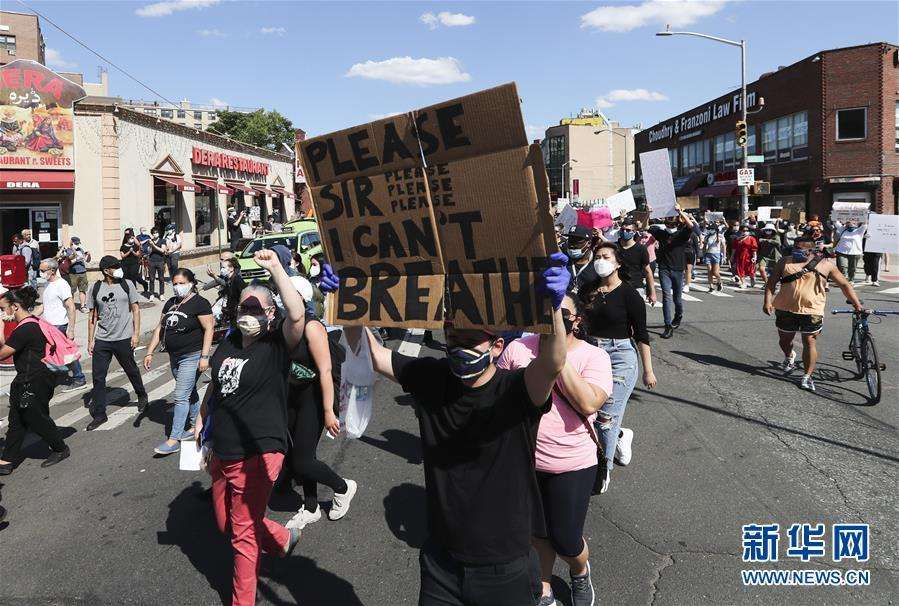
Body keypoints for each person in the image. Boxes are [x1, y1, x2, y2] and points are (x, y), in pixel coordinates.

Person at [336, 253, 570, 606]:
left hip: (504, 565)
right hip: (442, 563)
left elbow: (552, 362)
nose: (458, 347)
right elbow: (376, 355)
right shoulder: (433, 378)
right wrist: (347, 300)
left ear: (496, 346)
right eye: (452, 338)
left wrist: (551, 310)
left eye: (469, 339)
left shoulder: (517, 390)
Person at [193, 249, 307, 606]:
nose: (250, 314)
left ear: (270, 314)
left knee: (242, 532)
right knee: (226, 522)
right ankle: (280, 539)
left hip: (259, 451)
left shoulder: (276, 345)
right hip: (221, 448)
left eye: (258, 309)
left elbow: (298, 314)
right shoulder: (227, 342)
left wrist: (275, 268)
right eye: (245, 307)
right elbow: (215, 384)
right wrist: (200, 420)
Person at [497, 293, 612, 606]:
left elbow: (589, 402)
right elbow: (498, 399)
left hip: (572, 465)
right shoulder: (518, 348)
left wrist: (554, 355)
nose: (553, 317)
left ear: (575, 320)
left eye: (561, 312)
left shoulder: (593, 357)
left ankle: (579, 570)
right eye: (547, 312)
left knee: (566, 539)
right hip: (524, 463)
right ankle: (544, 589)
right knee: (537, 535)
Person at [579, 242, 656, 493]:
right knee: (587, 411)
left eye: (606, 257)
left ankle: (604, 471)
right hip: (591, 354)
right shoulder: (588, 290)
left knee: (605, 417)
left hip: (620, 356)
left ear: (618, 263)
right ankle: (620, 436)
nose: (601, 260)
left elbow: (642, 335)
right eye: (597, 256)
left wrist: (648, 370)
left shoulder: (629, 295)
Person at [282, 290, 355, 530]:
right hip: (291, 398)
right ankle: (311, 507)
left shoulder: (312, 327)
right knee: (301, 456)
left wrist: (327, 411)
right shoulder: (281, 325)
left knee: (302, 462)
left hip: (313, 399)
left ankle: (343, 487)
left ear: (301, 300)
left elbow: (324, 370)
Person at [763, 237, 864, 392]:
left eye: (800, 249)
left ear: (811, 250)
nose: (796, 251)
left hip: (812, 310)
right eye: (794, 248)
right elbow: (771, 283)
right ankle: (789, 356)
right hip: (784, 308)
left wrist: (857, 304)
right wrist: (767, 301)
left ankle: (807, 376)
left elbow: (844, 284)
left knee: (809, 342)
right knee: (784, 341)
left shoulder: (826, 265)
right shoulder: (784, 261)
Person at [0, 287, 70, 475]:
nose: (2, 312)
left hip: (33, 380)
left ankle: (60, 448)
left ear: (14, 307)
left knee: (34, 417)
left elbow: (3, 353)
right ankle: (7, 460)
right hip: (29, 378)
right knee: (16, 420)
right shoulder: (33, 322)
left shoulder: (25, 329)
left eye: (3, 308)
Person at [143, 269, 213, 455]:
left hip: (192, 355)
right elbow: (160, 328)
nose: (177, 287)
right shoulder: (171, 303)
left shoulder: (200, 303)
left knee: (181, 396)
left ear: (191, 283)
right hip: (175, 356)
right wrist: (149, 352)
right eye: (174, 283)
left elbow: (209, 328)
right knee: (188, 392)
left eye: (181, 283)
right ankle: (196, 423)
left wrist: (205, 356)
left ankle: (174, 439)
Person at [86, 255, 149, 430]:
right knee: (98, 378)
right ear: (106, 271)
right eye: (115, 266)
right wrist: (90, 340)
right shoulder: (96, 288)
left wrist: (136, 334)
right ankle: (100, 414)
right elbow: (92, 316)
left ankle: (142, 395)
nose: (119, 269)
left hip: (123, 338)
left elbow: (136, 309)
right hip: (103, 340)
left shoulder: (127, 284)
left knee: (131, 370)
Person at [36, 259, 87, 391]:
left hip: (59, 326)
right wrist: (29, 317)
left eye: (42, 270)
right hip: (48, 326)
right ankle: (53, 376)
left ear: (52, 271)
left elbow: (70, 307)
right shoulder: (48, 284)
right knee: (50, 353)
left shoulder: (61, 284)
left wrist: (71, 329)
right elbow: (43, 305)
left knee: (67, 353)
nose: (40, 273)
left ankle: (79, 378)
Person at [648, 204, 697, 339]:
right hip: (664, 269)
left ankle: (679, 314)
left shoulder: (681, 233)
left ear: (676, 221)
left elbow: (691, 226)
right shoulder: (661, 233)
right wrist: (648, 212)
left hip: (678, 270)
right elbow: (645, 227)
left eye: (672, 220)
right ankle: (668, 326)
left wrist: (680, 212)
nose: (669, 223)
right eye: (667, 221)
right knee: (666, 296)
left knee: (677, 299)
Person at [617, 220, 657, 305]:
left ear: (634, 232)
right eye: (622, 230)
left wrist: (652, 293)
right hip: (617, 287)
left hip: (636, 287)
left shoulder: (641, 249)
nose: (624, 232)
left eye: (628, 230)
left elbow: (648, 271)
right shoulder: (615, 247)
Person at [564, 225, 597, 294]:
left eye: (577, 241)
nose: (572, 245)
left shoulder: (597, 262)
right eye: (570, 241)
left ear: (589, 243)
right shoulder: (563, 261)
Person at [60, 236, 91, 311]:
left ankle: (83, 306)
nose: (77, 245)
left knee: (82, 290)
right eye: (75, 243)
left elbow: (87, 260)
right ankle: (71, 306)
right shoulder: (68, 251)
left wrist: (88, 255)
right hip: (72, 273)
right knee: (71, 291)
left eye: (78, 243)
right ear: (72, 242)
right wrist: (77, 258)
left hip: (82, 272)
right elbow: (69, 262)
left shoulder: (81, 250)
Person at [120, 229, 150, 296]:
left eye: (127, 233)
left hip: (134, 261)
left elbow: (139, 246)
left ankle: (136, 288)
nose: (126, 235)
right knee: (128, 276)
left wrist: (133, 250)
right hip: (125, 263)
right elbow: (122, 251)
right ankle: (129, 289)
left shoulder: (134, 239)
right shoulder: (124, 242)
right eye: (125, 234)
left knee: (133, 275)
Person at [731, 225, 759, 289]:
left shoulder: (751, 239)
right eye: (743, 231)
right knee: (740, 270)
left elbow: (754, 249)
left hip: (749, 256)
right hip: (739, 256)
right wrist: (732, 256)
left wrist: (754, 257)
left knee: (750, 270)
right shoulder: (738, 239)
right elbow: (734, 248)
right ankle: (744, 283)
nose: (745, 232)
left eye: (747, 231)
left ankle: (752, 278)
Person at [701, 222, 726, 292]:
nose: (710, 230)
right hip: (708, 254)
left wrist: (724, 256)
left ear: (715, 230)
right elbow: (704, 246)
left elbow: (723, 246)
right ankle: (711, 287)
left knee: (715, 272)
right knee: (709, 271)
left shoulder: (720, 236)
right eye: (710, 229)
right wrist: (703, 255)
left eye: (712, 229)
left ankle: (720, 282)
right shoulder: (707, 236)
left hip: (716, 254)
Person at [147, 227, 167, 300]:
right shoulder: (150, 241)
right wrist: (150, 246)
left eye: (156, 232)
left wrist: (153, 245)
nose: (155, 234)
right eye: (154, 233)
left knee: (161, 278)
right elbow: (149, 251)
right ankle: (151, 294)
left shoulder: (162, 241)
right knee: (151, 279)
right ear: (152, 234)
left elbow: (162, 250)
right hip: (151, 261)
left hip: (160, 261)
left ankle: (161, 294)